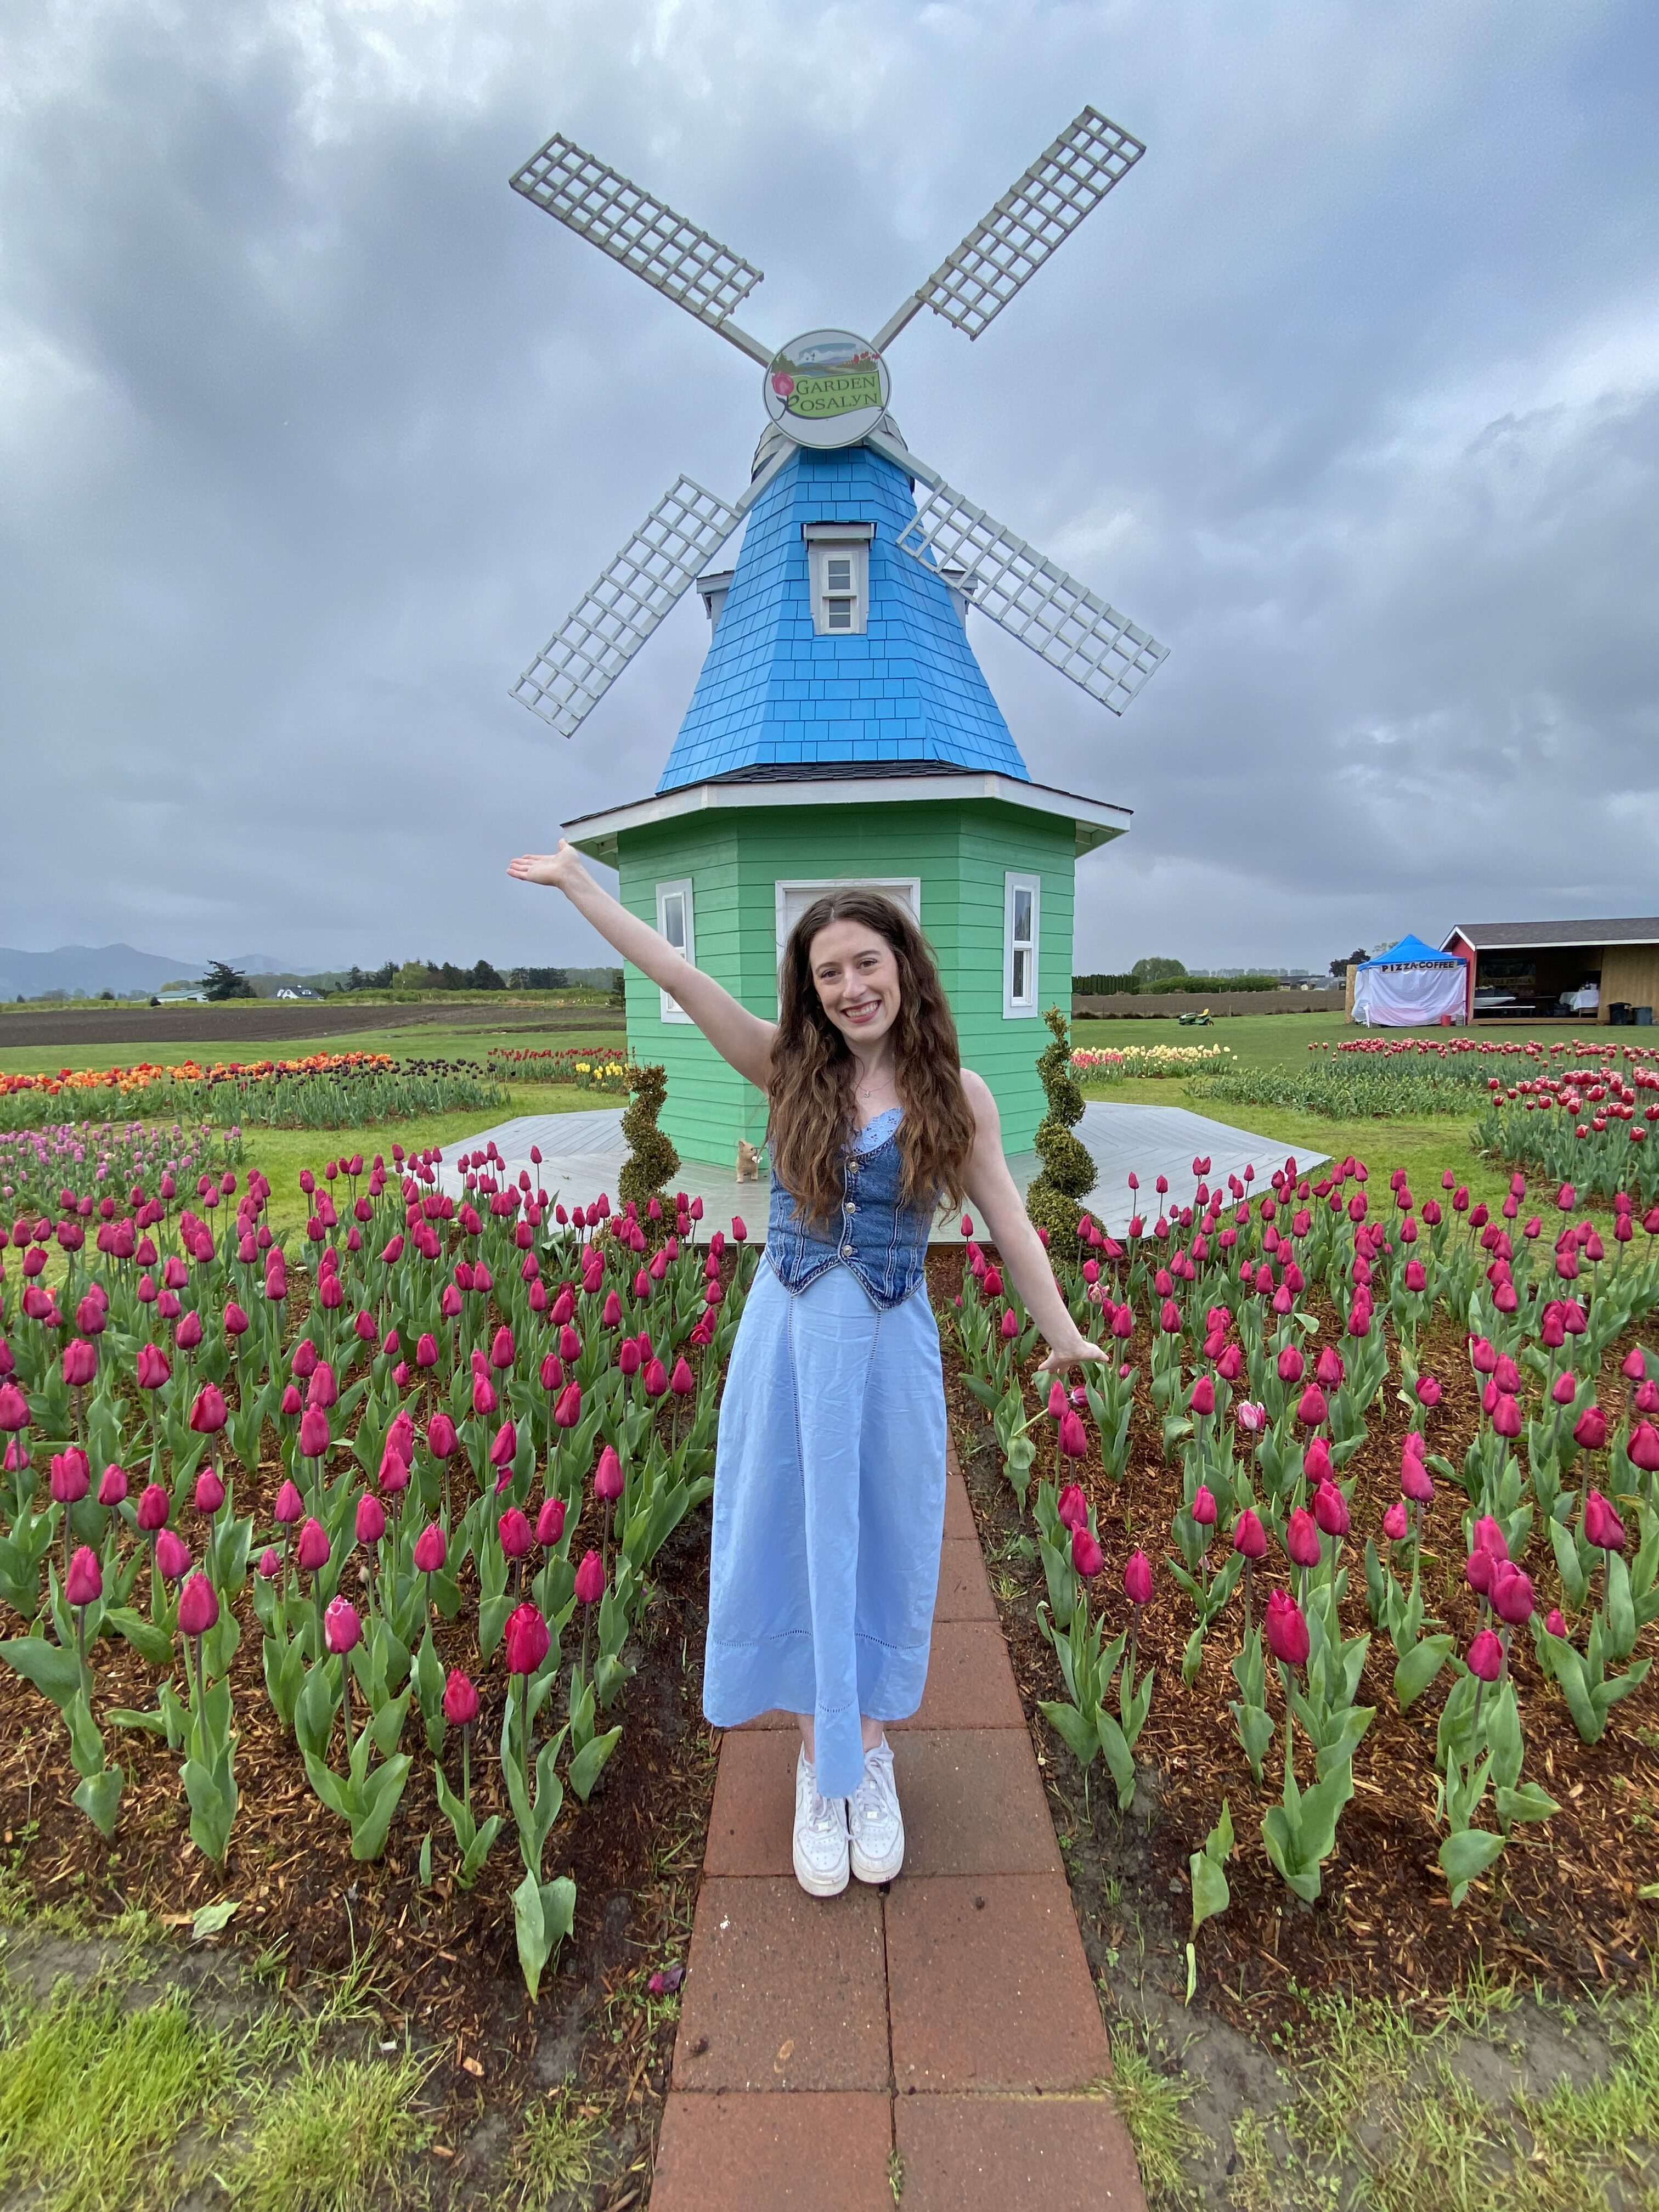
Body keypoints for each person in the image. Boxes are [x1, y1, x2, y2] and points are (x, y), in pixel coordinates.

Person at [507, 844, 1105, 1897]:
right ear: (811, 987)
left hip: (885, 1356)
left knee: (873, 1538)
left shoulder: (955, 1096)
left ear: (905, 968)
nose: (850, 988)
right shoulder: (789, 1066)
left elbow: (1009, 1220)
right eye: (829, 973)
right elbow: (682, 979)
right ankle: (810, 1761)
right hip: (785, 1347)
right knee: (791, 1534)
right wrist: (581, 887)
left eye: (866, 964)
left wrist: (1060, 1333)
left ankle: (864, 1753)